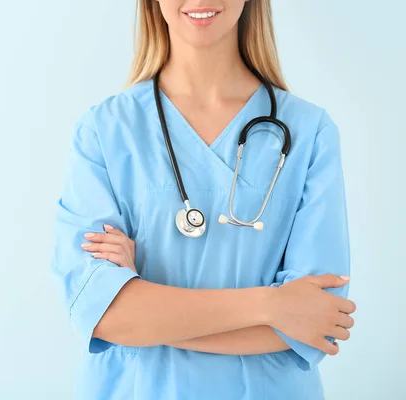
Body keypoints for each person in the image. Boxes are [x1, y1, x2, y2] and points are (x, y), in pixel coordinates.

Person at [50, 0, 357, 398]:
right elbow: (103, 313)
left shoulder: (310, 132)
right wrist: (270, 305)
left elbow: (316, 318)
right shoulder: (105, 131)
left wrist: (148, 312)